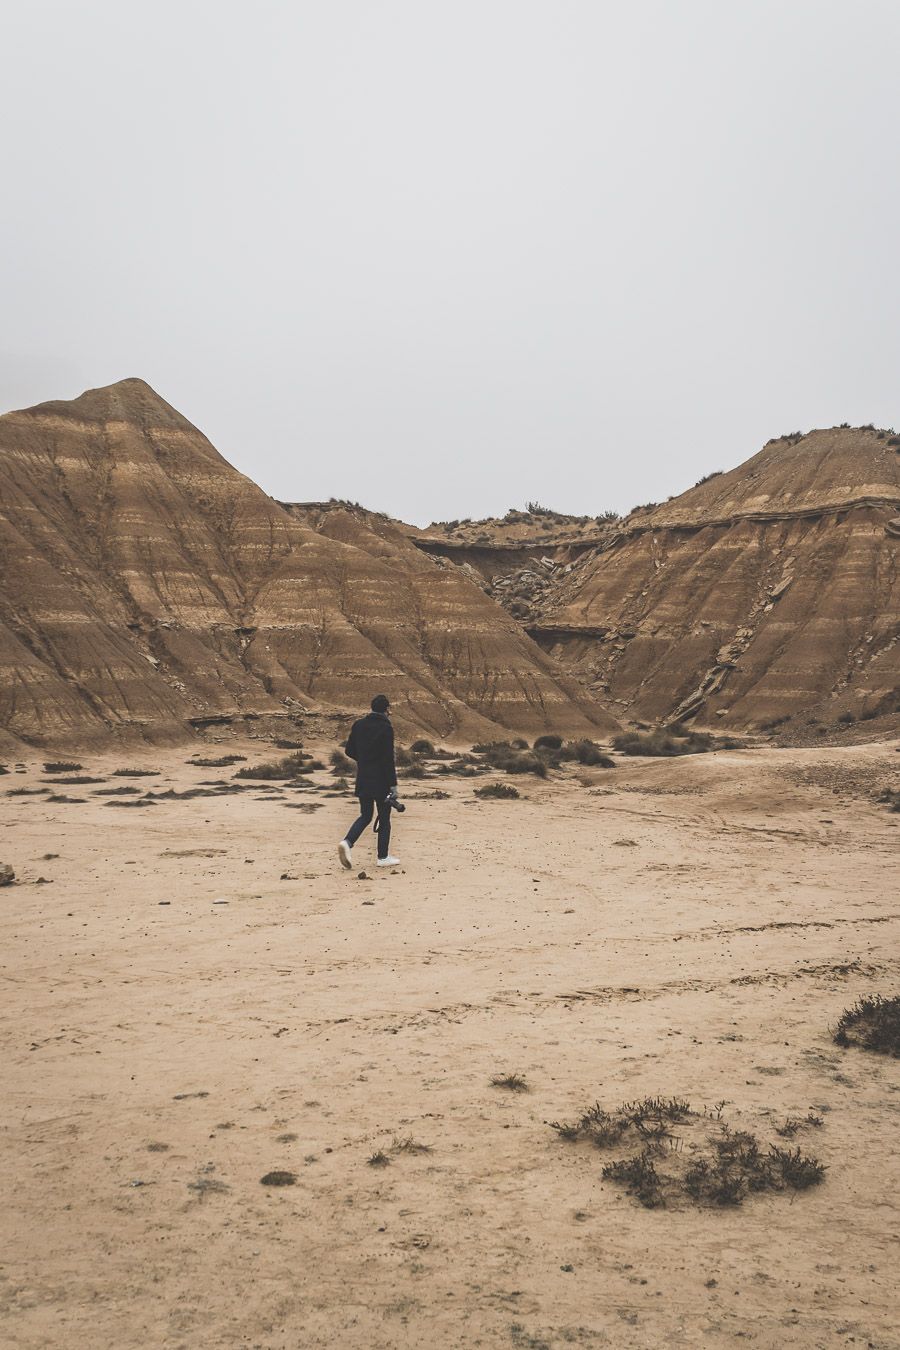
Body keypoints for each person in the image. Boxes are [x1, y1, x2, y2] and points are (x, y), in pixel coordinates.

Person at [338, 694, 400, 868]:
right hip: (381, 780)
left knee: (365, 815)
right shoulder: (386, 728)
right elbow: (388, 759)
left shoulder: (359, 725)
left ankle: (347, 842)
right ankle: (383, 857)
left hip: (364, 777)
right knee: (385, 818)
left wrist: (364, 760)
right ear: (386, 709)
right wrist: (393, 785)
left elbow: (349, 750)